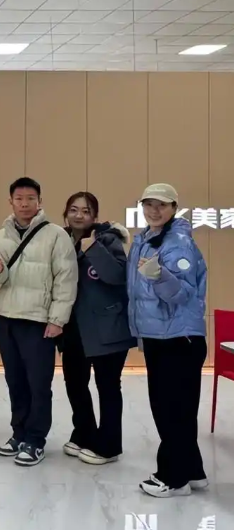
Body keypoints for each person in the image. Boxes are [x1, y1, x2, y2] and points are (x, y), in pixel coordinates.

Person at [0, 177, 77, 467]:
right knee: (14, 380)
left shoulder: (55, 235)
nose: (24, 204)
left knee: (38, 383)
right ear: (10, 202)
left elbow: (66, 280)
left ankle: (36, 439)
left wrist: (57, 319)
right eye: (19, 199)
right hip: (7, 318)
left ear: (40, 201)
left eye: (30, 199)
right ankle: (19, 433)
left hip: (38, 320)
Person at [127, 184, 208, 498]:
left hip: (178, 338)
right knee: (179, 410)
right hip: (160, 336)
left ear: (174, 207)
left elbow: (183, 294)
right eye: (149, 204)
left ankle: (173, 478)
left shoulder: (178, 243)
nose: (154, 211)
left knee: (171, 411)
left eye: (161, 205)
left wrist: (159, 276)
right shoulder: (147, 239)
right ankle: (193, 471)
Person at [61, 192, 135, 466]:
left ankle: (109, 445)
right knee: (75, 384)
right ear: (66, 213)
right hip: (73, 328)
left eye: (86, 210)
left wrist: (92, 247)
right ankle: (84, 433)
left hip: (107, 327)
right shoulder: (61, 240)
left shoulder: (108, 239)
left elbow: (117, 276)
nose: (79, 215)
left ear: (95, 216)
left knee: (108, 386)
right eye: (74, 209)